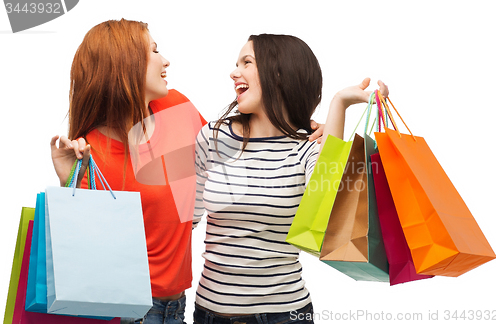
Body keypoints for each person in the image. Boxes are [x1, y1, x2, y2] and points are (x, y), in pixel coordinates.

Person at [50, 20, 325, 324]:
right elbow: (82, 245)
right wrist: (68, 181)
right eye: (154, 50)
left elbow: (236, 154)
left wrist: (307, 129)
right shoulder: (91, 152)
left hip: (180, 307)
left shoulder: (177, 107)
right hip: (129, 310)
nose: (165, 60)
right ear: (124, 64)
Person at [192, 34, 388, 324]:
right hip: (210, 313)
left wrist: (340, 104)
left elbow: (325, 202)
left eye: (247, 62)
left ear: (279, 74)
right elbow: (185, 218)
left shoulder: (305, 147)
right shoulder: (213, 137)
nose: (234, 73)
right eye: (236, 64)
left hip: (284, 315)